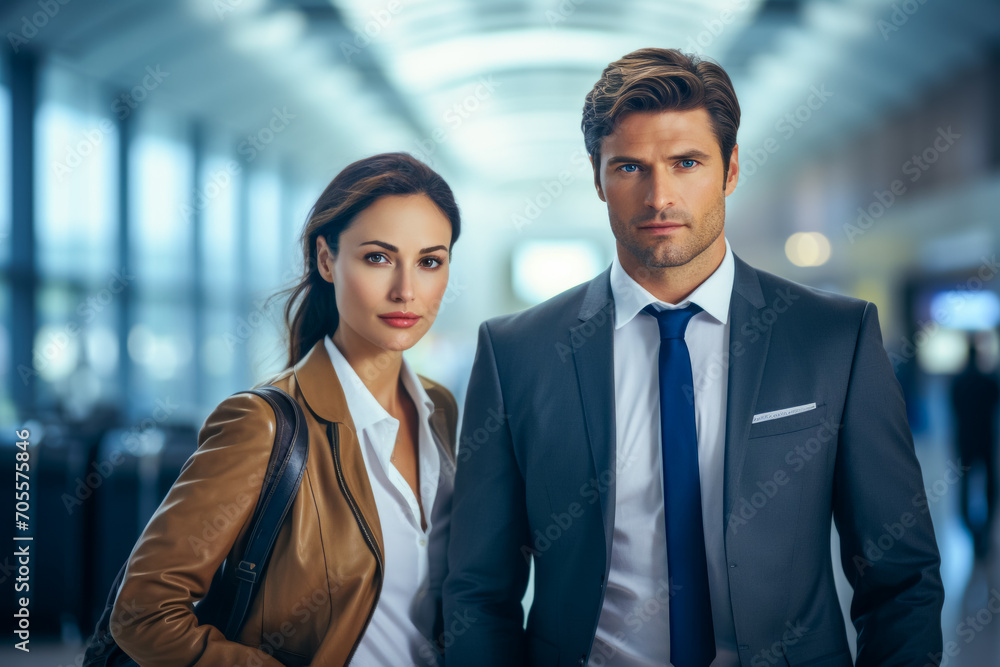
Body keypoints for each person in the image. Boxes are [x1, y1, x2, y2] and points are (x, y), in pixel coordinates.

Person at [443, 48, 943, 666]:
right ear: (597, 177)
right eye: (630, 167)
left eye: (686, 163)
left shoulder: (833, 337)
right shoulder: (516, 353)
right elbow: (478, 589)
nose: (659, 197)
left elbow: (901, 578)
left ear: (730, 170)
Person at [111, 152, 461, 666]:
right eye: (378, 258)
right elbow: (143, 611)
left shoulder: (441, 410)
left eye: (429, 261)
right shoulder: (263, 423)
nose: (406, 290)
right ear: (326, 260)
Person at [950, 334, 999, 560]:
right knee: (989, 484)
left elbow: (954, 411)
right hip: (986, 440)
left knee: (965, 486)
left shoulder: (958, 383)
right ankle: (986, 527)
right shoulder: (989, 382)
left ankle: (972, 528)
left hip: (965, 441)